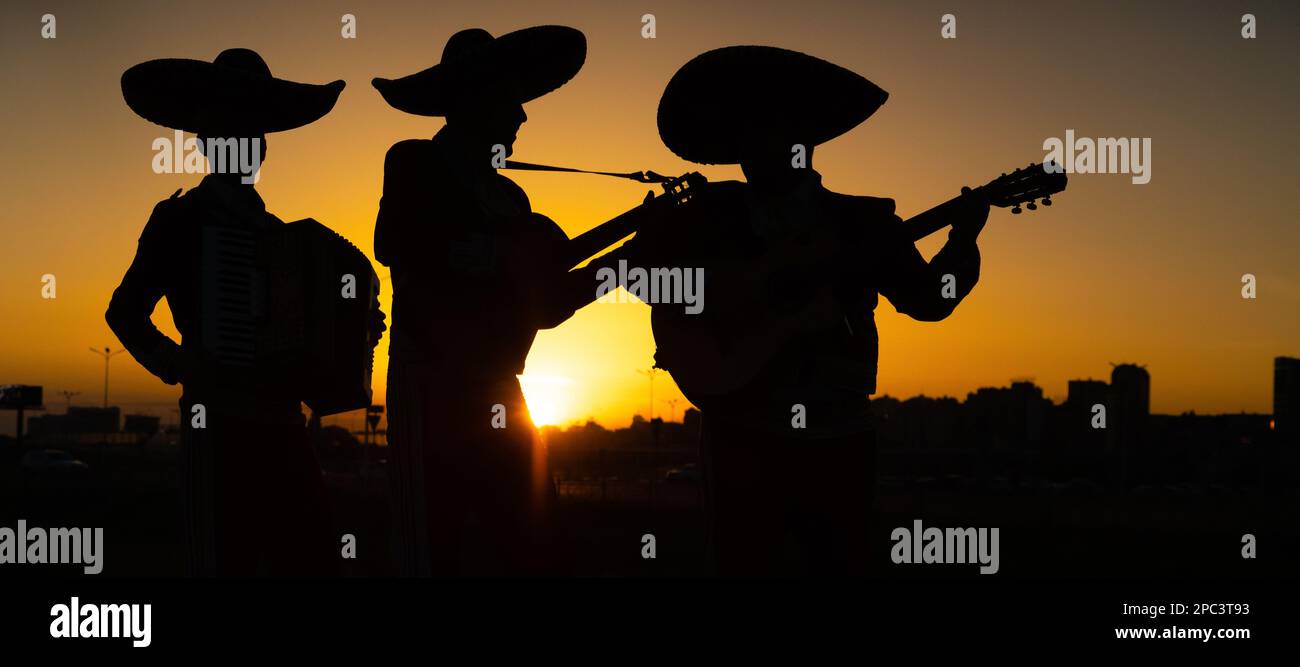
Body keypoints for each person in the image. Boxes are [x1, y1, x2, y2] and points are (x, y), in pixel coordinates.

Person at [641, 46, 990, 575]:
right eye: (744, 134)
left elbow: (928, 299)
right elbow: (654, 283)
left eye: (766, 131)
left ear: (801, 139)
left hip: (837, 437)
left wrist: (962, 241)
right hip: (741, 432)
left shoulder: (864, 222)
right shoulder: (705, 216)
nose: (752, 148)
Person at [372, 26, 640, 576]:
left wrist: (632, 259)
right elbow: (395, 244)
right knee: (429, 547)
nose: (521, 117)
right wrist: (504, 256)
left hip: (501, 390)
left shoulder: (513, 198)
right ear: (473, 98)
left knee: (533, 538)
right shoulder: (414, 163)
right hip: (429, 389)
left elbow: (544, 307)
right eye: (511, 101)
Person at [108, 48, 347, 576]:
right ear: (207, 143)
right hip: (217, 428)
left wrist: (350, 336)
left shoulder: (288, 240)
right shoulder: (179, 219)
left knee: (314, 562)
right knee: (222, 561)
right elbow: (125, 313)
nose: (247, 143)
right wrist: (177, 364)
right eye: (231, 131)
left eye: (254, 133)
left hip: (286, 429)